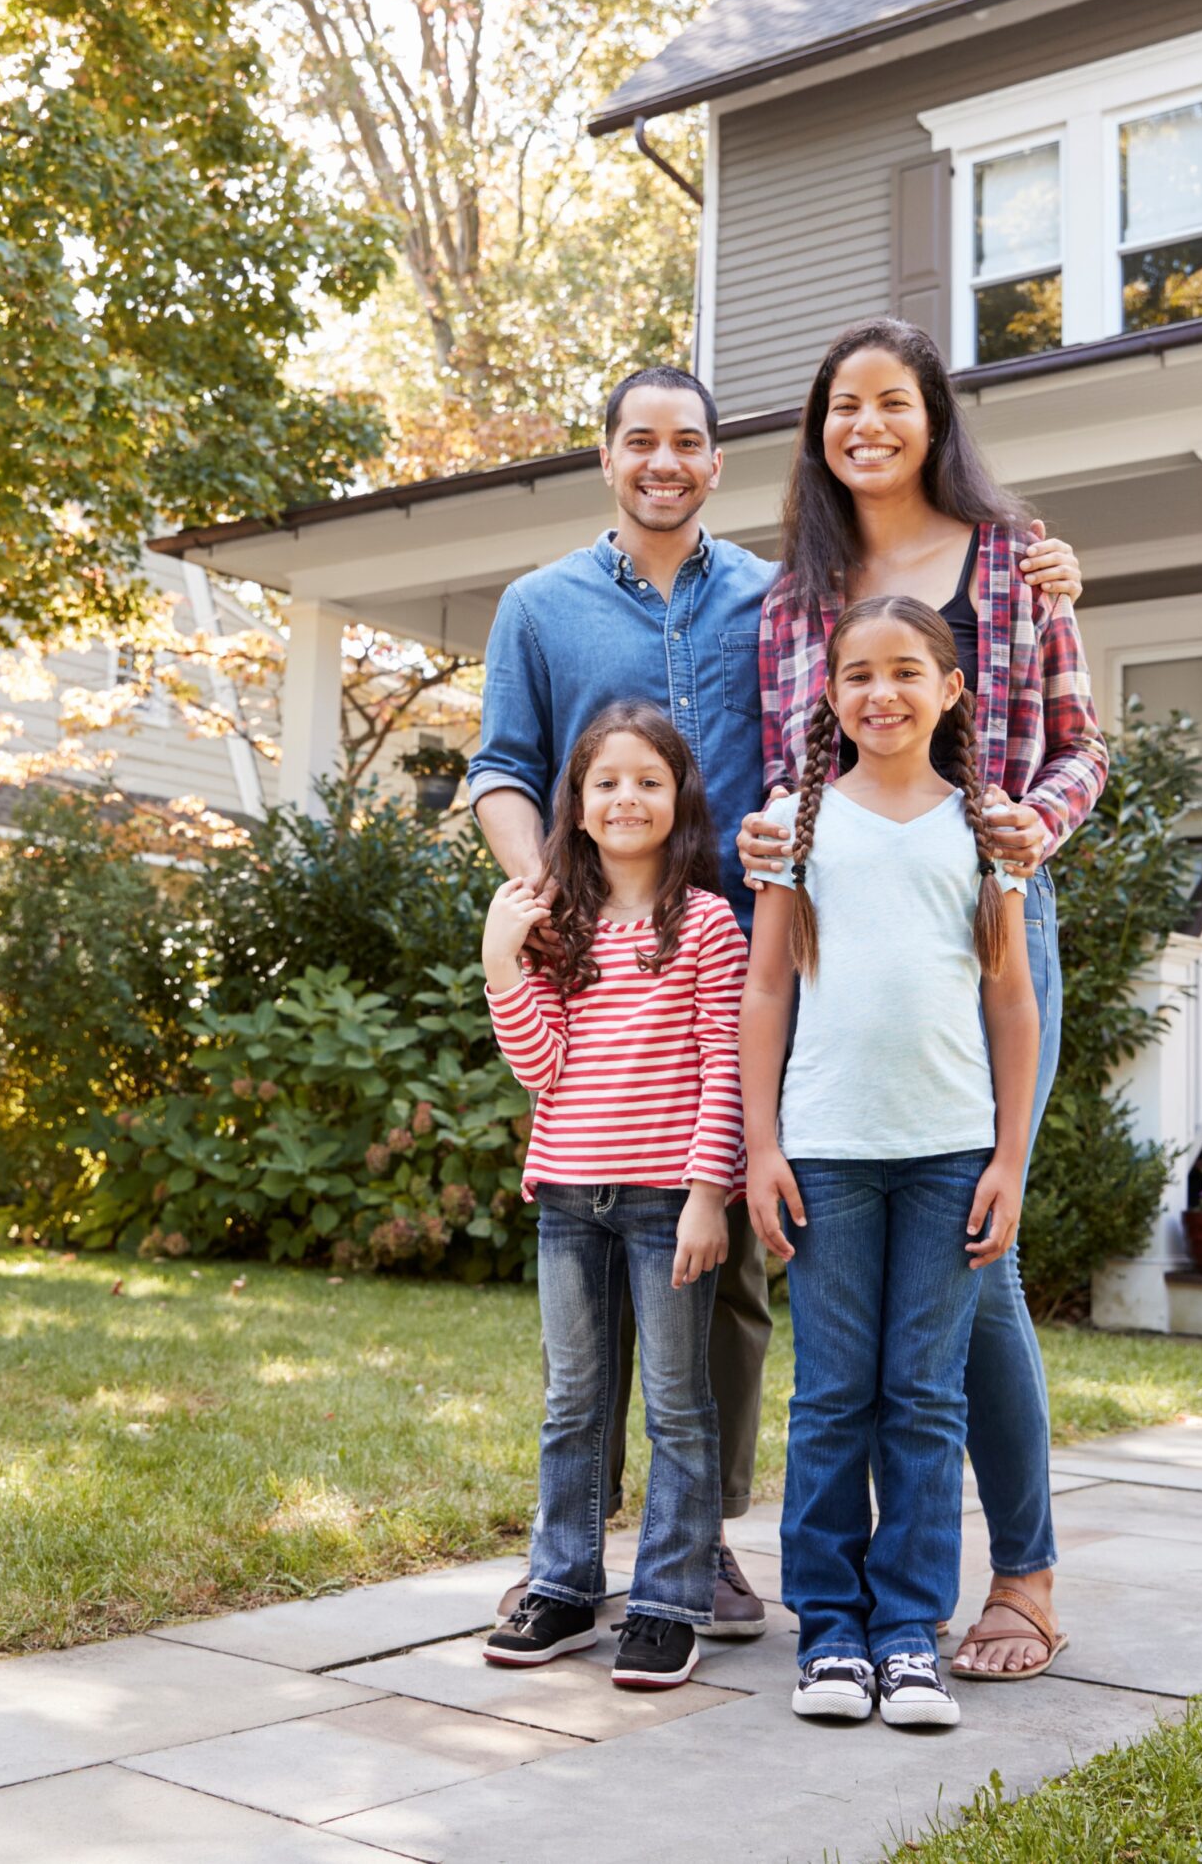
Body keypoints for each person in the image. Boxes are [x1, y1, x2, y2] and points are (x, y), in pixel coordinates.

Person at [466, 363, 1082, 1636]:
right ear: (603, 454)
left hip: (905, 926)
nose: (663, 461)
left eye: (688, 440)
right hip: (718, 958)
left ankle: (987, 1572)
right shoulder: (701, 596)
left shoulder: (932, 571)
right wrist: (558, 906)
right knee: (710, 1247)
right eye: (638, 439)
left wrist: (1027, 822)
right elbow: (526, 769)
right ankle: (643, 1555)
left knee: (935, 1251)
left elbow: (1059, 734)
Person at [741, 318, 1105, 1684]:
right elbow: (786, 780)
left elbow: (1080, 747)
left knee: (980, 1248)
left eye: (893, 402)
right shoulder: (793, 596)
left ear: (932, 416)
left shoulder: (1016, 558)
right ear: (819, 428)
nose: (867, 425)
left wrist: (1028, 829)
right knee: (858, 1344)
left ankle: (1023, 1574)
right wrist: (767, 846)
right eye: (844, 405)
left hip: (990, 913)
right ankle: (863, 1603)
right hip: (839, 935)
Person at [741, 596, 1038, 1730]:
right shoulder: (796, 826)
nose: (882, 692)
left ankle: (909, 1630)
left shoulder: (987, 832)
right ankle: (829, 1628)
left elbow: (1009, 1001)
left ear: (952, 689)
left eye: (907, 671)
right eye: (858, 673)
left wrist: (1009, 1156)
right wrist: (763, 1144)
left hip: (949, 1153)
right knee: (830, 1397)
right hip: (827, 1152)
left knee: (921, 1397)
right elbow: (766, 990)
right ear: (830, 694)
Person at [480, 701, 746, 1691]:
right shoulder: (556, 926)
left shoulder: (708, 923)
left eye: (648, 779)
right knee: (571, 1402)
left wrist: (706, 1193)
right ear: (578, 807)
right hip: (566, 1198)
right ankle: (562, 1585)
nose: (626, 796)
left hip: (663, 1199)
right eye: (606, 782)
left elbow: (724, 1064)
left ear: (678, 800)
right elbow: (540, 1066)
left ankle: (670, 1600)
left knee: (676, 1404)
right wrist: (501, 959)